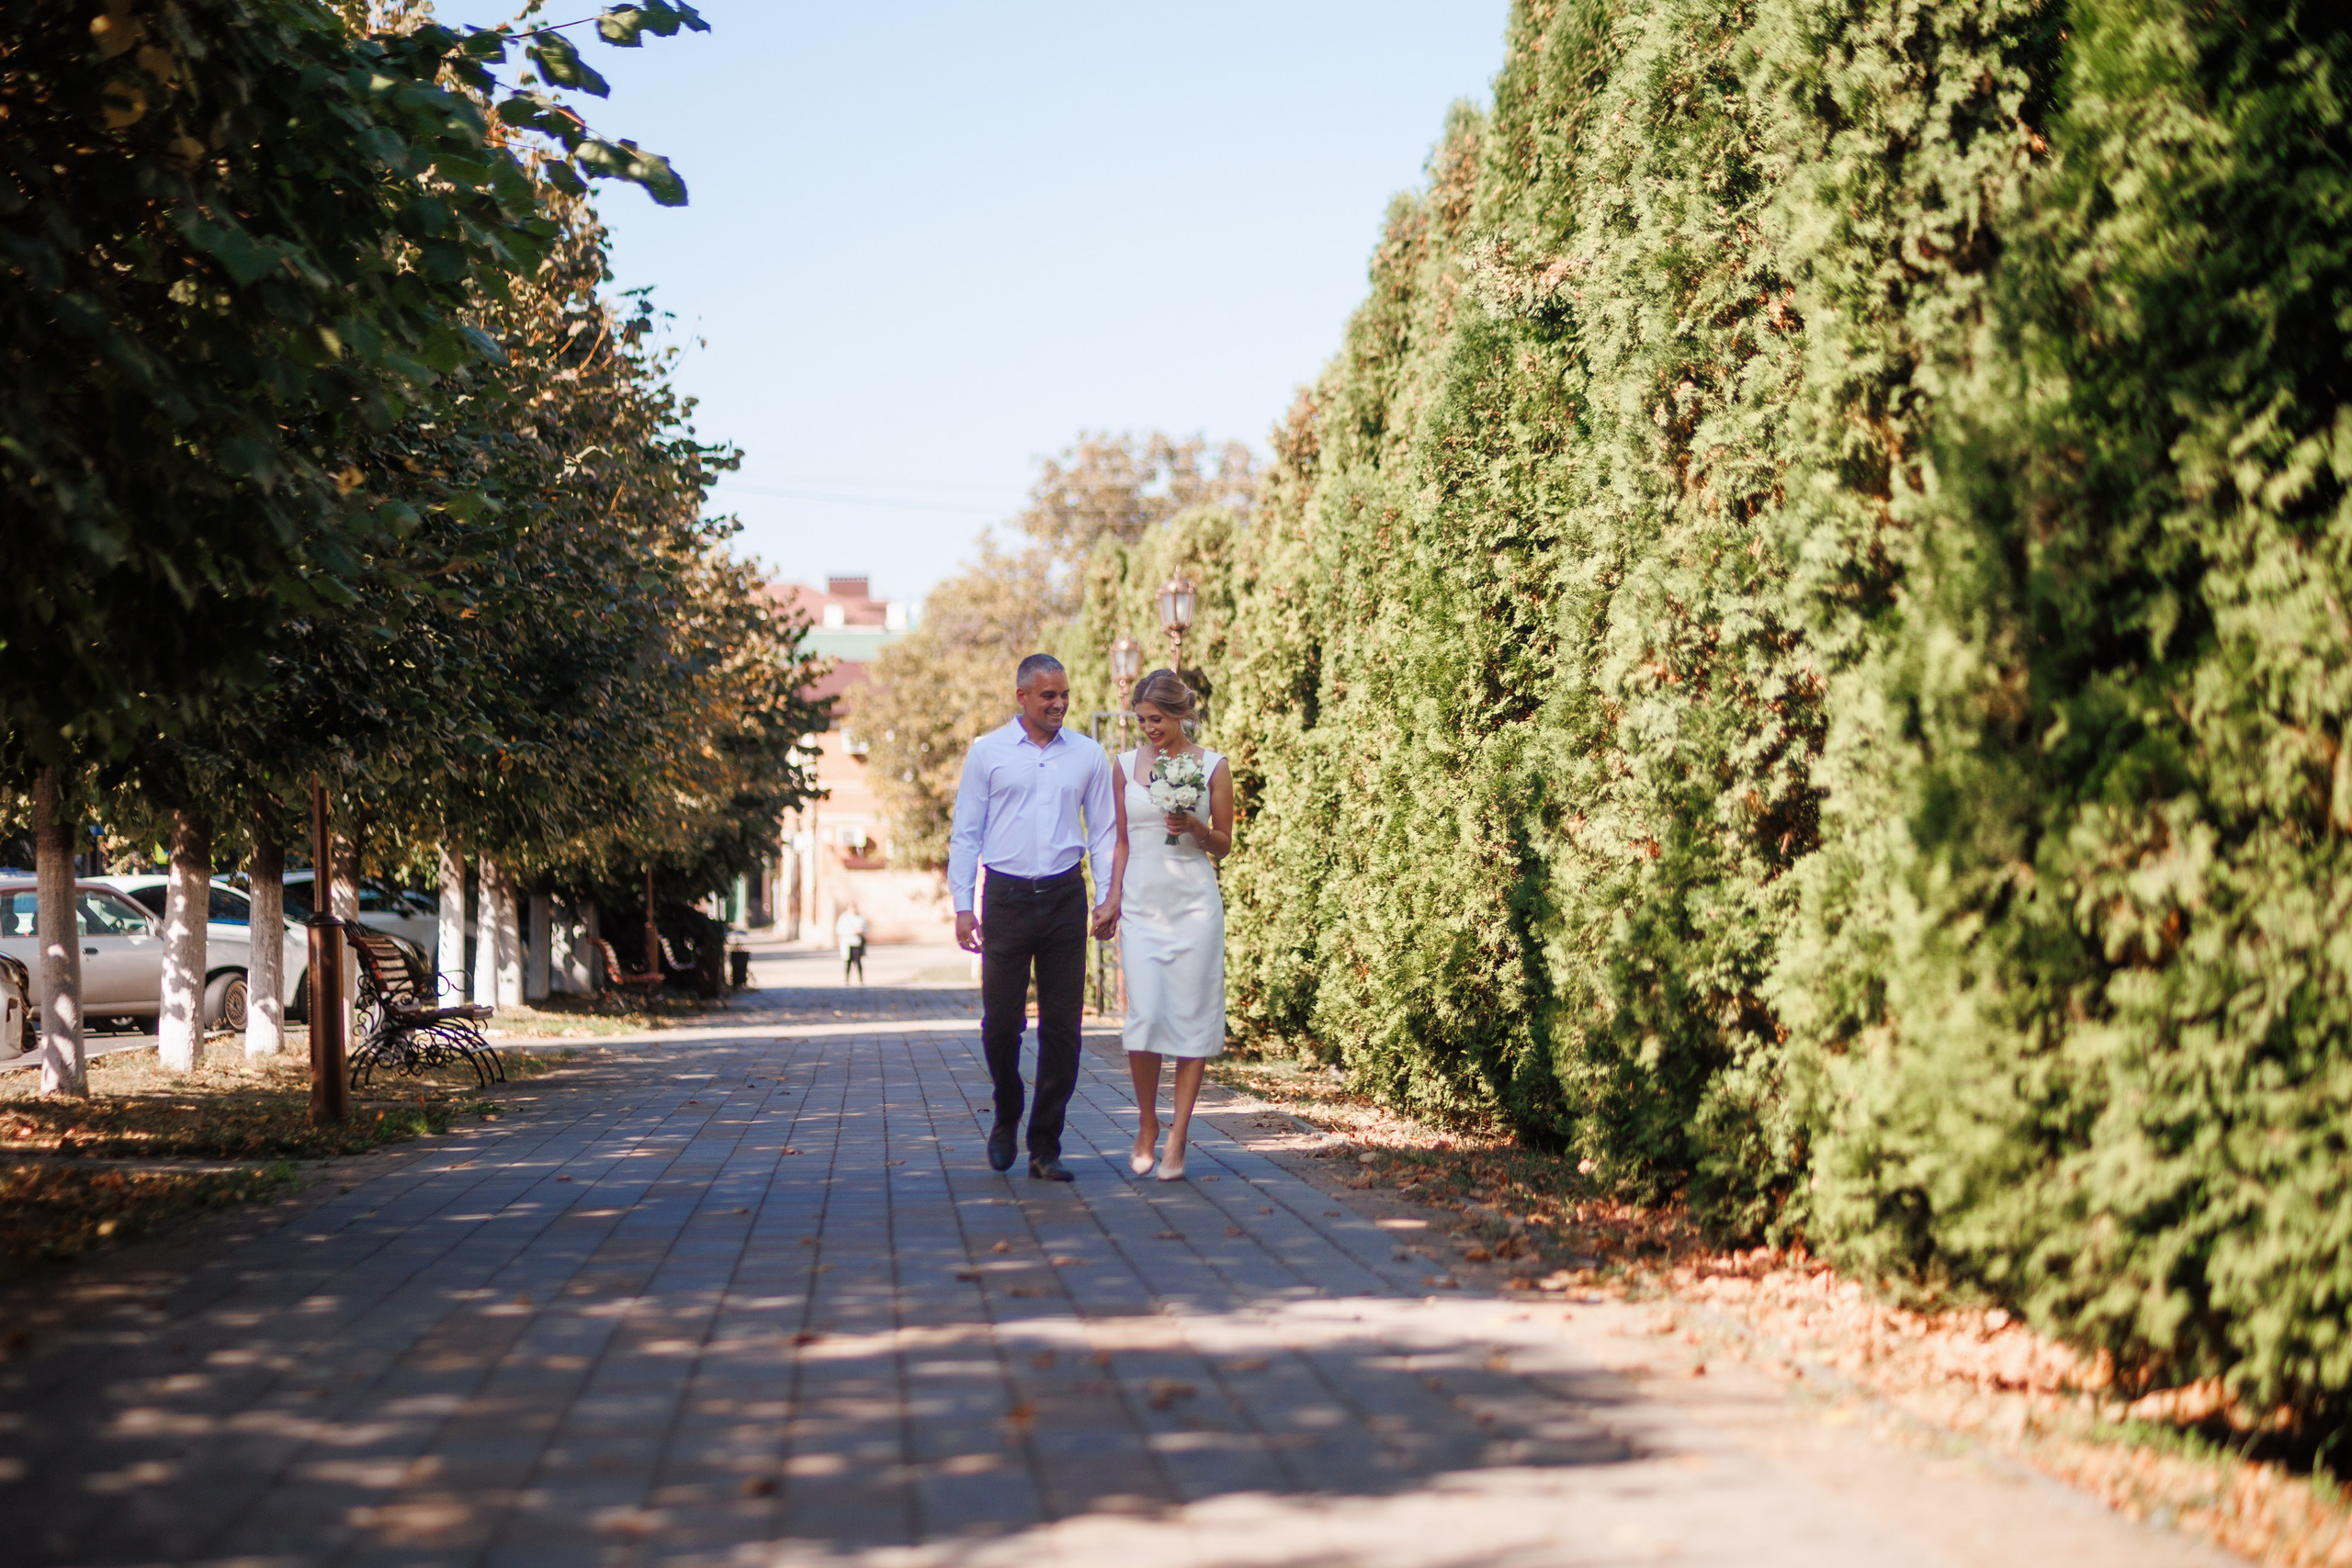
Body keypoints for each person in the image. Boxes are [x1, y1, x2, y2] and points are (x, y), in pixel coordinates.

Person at [948, 653, 1120, 1181]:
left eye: (1064, 694)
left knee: (1064, 1029)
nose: (1059, 703)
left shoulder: (1088, 755)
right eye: (1048, 695)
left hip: (1066, 897)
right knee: (1001, 1023)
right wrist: (961, 903)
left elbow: (1105, 831)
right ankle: (1006, 1112)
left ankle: (1045, 1145)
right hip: (1005, 899)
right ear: (1022, 696)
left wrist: (1109, 896)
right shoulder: (988, 753)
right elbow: (966, 831)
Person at [1103, 669, 1234, 1180]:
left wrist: (1196, 828)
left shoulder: (1213, 766)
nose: (1148, 729)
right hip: (1141, 900)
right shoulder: (1123, 765)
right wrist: (1111, 897)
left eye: (1156, 719)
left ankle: (1179, 1134)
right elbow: (1120, 841)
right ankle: (1146, 1123)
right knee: (1145, 1018)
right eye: (1141, 720)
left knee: (1191, 1017)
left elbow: (1224, 843)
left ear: (1181, 714)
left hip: (1194, 903)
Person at [835, 905, 868, 984]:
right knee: (848, 962)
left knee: (858, 962)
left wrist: (860, 930)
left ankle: (861, 979)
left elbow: (865, 928)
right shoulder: (844, 918)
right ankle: (847, 979)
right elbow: (839, 929)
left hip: (857, 942)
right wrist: (850, 931)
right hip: (847, 942)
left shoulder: (860, 917)